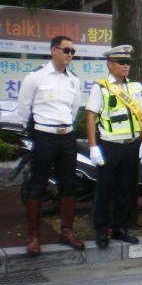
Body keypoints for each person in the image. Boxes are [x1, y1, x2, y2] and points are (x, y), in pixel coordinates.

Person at [17, 35, 85, 256]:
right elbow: (24, 108)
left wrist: (64, 127)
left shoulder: (73, 80)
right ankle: (33, 237)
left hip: (66, 136)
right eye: (67, 50)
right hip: (43, 135)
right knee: (37, 183)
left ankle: (67, 232)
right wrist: (38, 129)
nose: (70, 55)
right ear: (53, 50)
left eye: (73, 51)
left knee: (68, 184)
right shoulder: (36, 77)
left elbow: (74, 110)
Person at [85, 45, 142, 249]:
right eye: (122, 62)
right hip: (109, 145)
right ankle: (102, 229)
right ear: (110, 65)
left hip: (131, 145)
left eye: (128, 62)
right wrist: (93, 146)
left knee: (126, 189)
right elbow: (90, 116)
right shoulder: (101, 87)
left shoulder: (135, 87)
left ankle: (120, 228)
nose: (126, 66)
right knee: (105, 188)